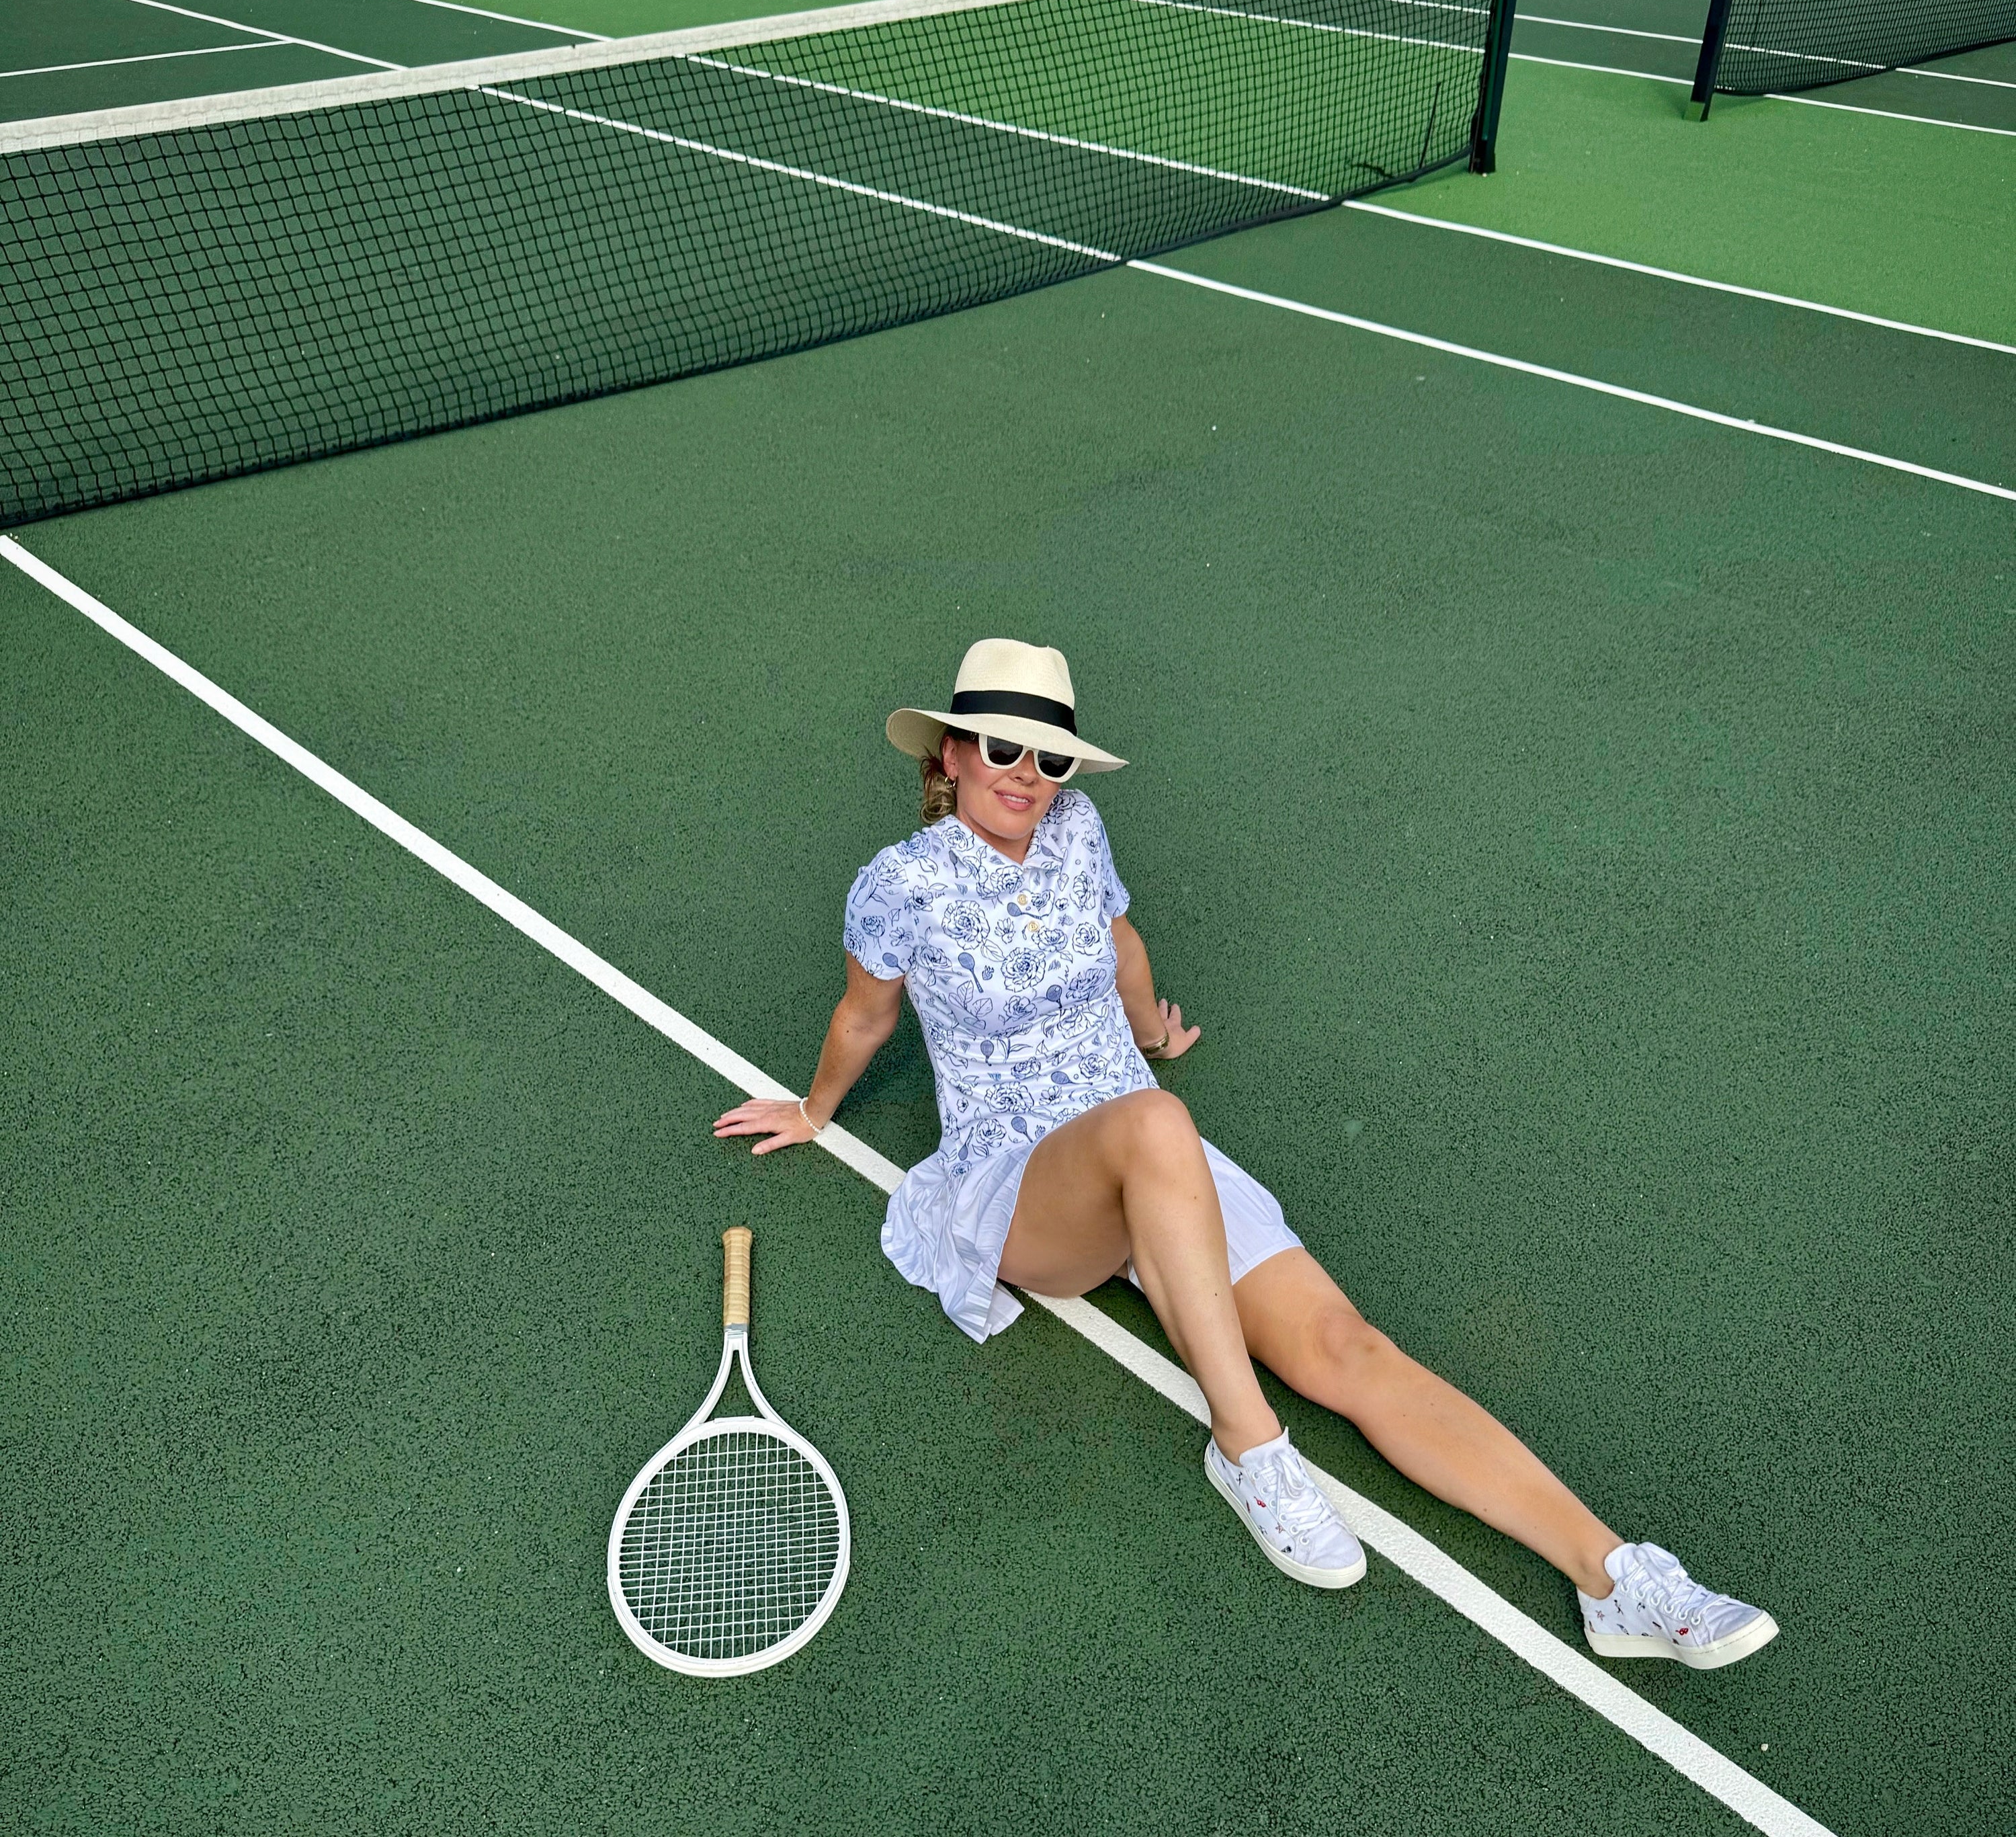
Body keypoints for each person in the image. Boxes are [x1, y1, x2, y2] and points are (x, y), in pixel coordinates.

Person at [716, 640, 1777, 1670]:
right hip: (1021, 1183)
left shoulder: (1077, 830)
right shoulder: (901, 883)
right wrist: (814, 1110)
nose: (1027, 775)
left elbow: (1119, 942)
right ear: (949, 755)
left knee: (1346, 1344)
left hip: (1154, 1158)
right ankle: (1250, 1448)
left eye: (1050, 757)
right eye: (1001, 749)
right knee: (1154, 1124)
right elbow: (866, 1016)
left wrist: (1146, 1030)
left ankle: (1616, 1578)